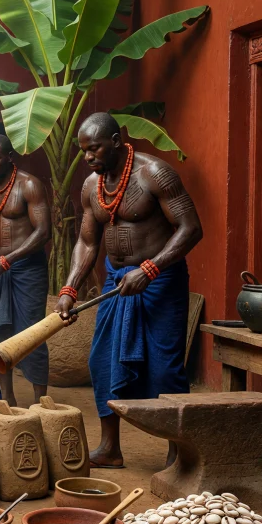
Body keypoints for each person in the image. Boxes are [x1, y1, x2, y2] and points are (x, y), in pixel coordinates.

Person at [57, 112, 202, 469]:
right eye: (83, 151)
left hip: (160, 282)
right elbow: (87, 242)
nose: (88, 157)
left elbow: (191, 228)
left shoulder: (155, 174)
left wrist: (151, 268)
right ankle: (110, 448)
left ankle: (177, 452)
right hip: (116, 282)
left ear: (117, 142)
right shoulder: (92, 186)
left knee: (165, 367)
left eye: (95, 148)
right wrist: (70, 288)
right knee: (101, 360)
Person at [0, 134, 52, 405]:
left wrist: (8, 260)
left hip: (26, 269)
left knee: (32, 332)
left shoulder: (29, 185)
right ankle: (7, 396)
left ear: (10, 157)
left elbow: (43, 232)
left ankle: (40, 400)